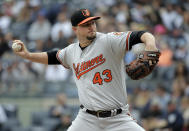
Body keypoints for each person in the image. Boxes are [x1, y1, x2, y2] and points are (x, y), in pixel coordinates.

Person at [13, 8, 159, 131]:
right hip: (87, 119)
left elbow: (141, 35)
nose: (91, 27)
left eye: (93, 23)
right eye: (86, 24)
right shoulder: (71, 51)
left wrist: (150, 45)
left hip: (118, 119)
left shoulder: (109, 41)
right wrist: (27, 55)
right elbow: (52, 57)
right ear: (75, 29)